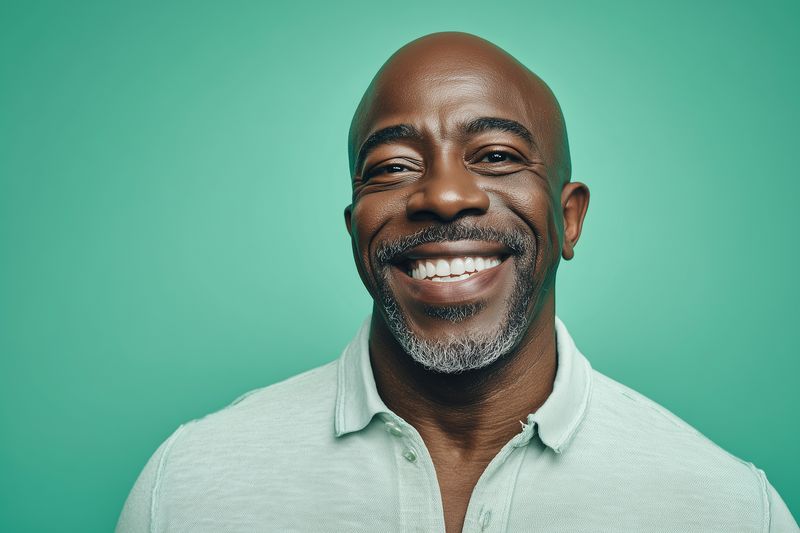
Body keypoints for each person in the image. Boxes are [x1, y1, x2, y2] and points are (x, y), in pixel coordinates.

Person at [117, 32, 798, 532]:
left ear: (569, 218)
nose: (443, 196)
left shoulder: (729, 508)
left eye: (497, 155)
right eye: (391, 166)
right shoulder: (184, 490)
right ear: (356, 227)